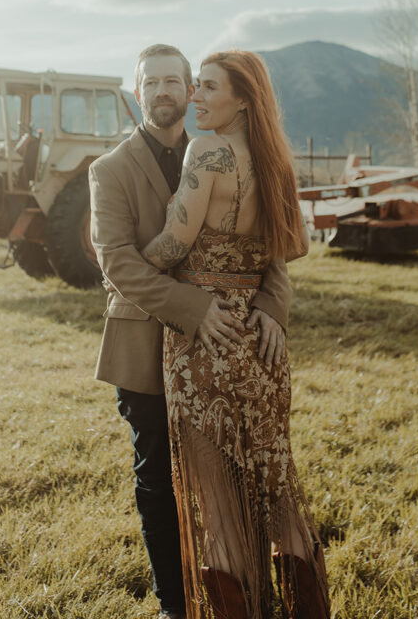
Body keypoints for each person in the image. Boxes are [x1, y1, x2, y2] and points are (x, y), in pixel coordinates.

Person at [90, 45, 293, 619]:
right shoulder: (108, 170)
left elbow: (269, 243)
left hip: (232, 345)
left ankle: (248, 595)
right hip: (145, 344)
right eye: (150, 81)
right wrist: (193, 308)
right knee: (158, 478)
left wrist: (273, 305)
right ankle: (175, 605)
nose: (162, 90)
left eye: (173, 80)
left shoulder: (230, 149)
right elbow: (119, 264)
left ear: (189, 89)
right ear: (137, 93)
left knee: (238, 473)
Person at [141, 49, 330, 619]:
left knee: (219, 506)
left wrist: (127, 257)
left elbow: (173, 245)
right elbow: (292, 246)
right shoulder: (274, 161)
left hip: (208, 342)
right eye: (194, 85)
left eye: (207, 87)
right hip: (259, 340)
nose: (195, 96)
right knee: (278, 494)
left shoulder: (207, 151)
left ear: (242, 99)